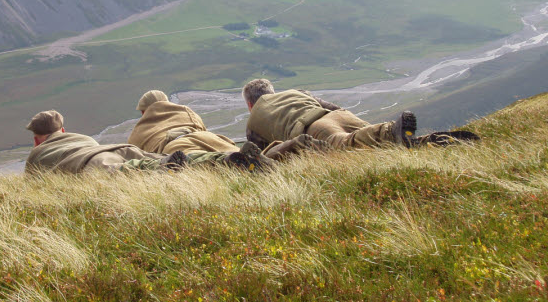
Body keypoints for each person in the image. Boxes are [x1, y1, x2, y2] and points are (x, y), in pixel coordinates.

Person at [242, 79, 417, 150]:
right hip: (338, 115)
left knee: (346, 145)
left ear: (250, 104)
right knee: (380, 139)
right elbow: (332, 107)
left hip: (314, 128)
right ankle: (425, 141)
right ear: (272, 92)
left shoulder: (254, 123)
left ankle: (390, 131)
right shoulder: (296, 92)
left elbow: (265, 154)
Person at [129, 90, 272, 169]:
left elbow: (140, 158)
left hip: (174, 146)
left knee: (200, 162)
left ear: (143, 111)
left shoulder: (138, 131)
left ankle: (231, 163)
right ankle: (275, 157)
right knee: (239, 153)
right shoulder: (185, 110)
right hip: (207, 137)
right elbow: (201, 126)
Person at [24, 110, 187, 175]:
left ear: (36, 139)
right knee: (154, 157)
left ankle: (163, 168)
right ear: (63, 130)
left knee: (126, 171)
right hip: (118, 149)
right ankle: (197, 159)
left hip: (93, 162)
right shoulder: (84, 138)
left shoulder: (37, 154)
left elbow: (32, 183)